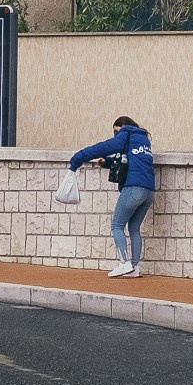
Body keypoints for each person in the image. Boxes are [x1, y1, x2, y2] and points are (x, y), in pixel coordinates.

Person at [69, 116, 156, 278]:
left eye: (117, 131)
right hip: (149, 191)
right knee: (134, 228)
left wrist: (79, 157)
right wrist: (107, 162)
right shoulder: (142, 139)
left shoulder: (126, 133)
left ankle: (124, 263)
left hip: (133, 188)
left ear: (124, 127)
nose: (116, 135)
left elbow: (105, 147)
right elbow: (129, 160)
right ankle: (135, 267)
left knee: (117, 225)